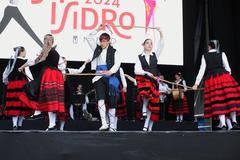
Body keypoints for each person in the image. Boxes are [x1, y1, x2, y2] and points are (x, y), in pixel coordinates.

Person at [18, 34, 65, 131]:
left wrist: (23, 67)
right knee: (49, 99)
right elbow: (62, 66)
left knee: (41, 94)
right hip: (54, 75)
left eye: (47, 40)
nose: (46, 42)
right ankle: (49, 123)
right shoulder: (54, 52)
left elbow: (35, 61)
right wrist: (23, 66)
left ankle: (39, 113)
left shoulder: (46, 51)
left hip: (49, 75)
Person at [192, 40, 240, 130]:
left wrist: (196, 84)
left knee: (219, 102)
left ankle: (223, 124)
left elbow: (201, 71)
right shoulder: (222, 54)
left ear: (209, 46)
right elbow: (228, 68)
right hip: (225, 78)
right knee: (230, 100)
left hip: (213, 80)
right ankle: (234, 121)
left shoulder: (205, 56)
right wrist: (226, 79)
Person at [86, 24, 121, 131]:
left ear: (109, 41)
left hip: (111, 78)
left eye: (105, 41)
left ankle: (113, 126)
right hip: (99, 77)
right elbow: (88, 37)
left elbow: (117, 63)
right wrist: (98, 28)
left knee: (111, 103)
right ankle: (104, 123)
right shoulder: (97, 49)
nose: (103, 43)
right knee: (100, 99)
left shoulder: (115, 51)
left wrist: (110, 72)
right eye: (101, 41)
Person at [134, 27, 163, 131]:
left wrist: (160, 32)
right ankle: (144, 110)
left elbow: (161, 45)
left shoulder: (155, 55)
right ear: (143, 45)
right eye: (147, 43)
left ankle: (147, 126)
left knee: (153, 105)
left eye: (151, 43)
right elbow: (136, 70)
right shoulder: (139, 57)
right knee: (146, 92)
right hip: (145, 80)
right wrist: (146, 72)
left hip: (154, 82)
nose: (149, 45)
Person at [2, 46, 33, 129]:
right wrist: (32, 83)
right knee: (22, 104)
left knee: (14, 104)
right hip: (22, 84)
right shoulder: (25, 62)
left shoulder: (11, 61)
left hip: (12, 84)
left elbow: (6, 73)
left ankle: (14, 124)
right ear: (21, 52)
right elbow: (28, 73)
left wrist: (6, 82)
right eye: (25, 51)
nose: (26, 53)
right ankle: (19, 124)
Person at [57, 57, 90, 131]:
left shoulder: (68, 70)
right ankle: (53, 124)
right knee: (56, 108)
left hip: (66, 91)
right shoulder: (56, 70)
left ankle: (62, 126)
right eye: (64, 61)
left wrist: (85, 63)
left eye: (66, 61)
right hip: (57, 89)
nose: (65, 63)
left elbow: (79, 71)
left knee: (66, 107)